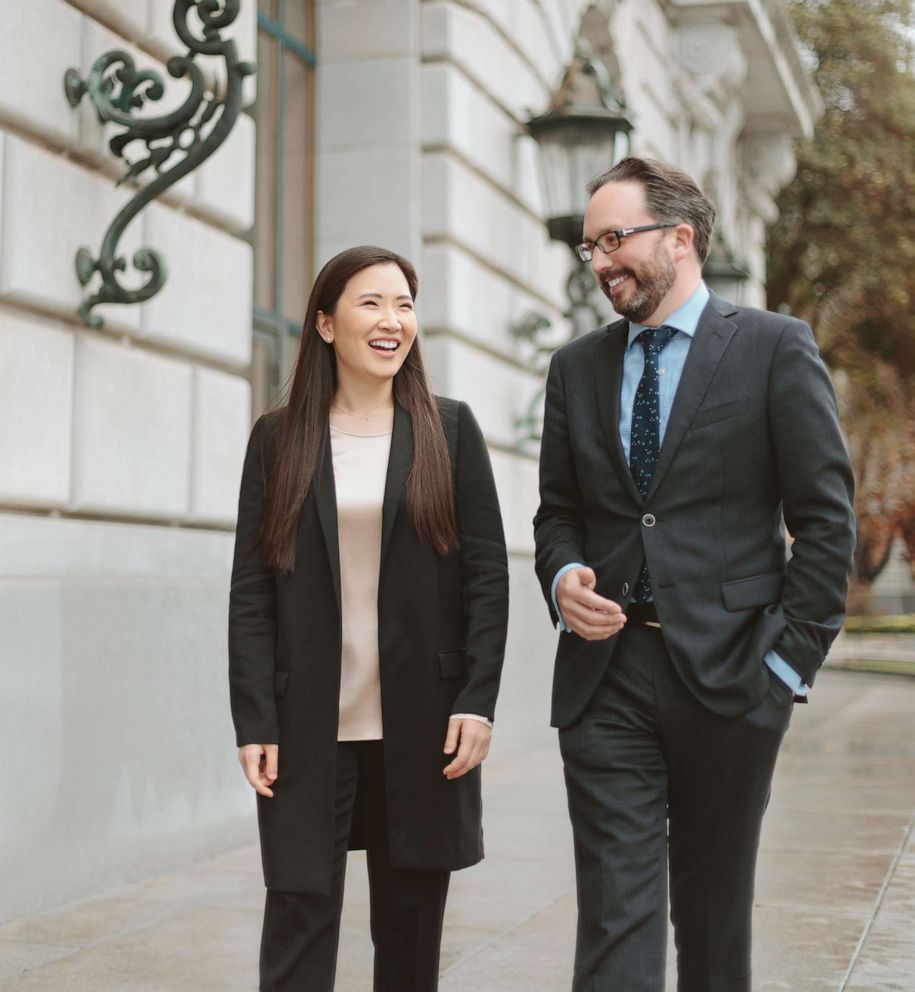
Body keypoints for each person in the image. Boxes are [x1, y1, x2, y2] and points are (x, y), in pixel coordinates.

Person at [533, 157, 855, 991]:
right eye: (588, 246)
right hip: (604, 681)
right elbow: (556, 512)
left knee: (712, 920)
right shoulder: (575, 367)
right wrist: (564, 573)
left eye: (614, 238)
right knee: (614, 916)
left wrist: (784, 668)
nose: (600, 261)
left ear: (679, 238)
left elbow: (823, 521)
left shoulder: (774, 348)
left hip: (735, 675)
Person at [229, 245, 508, 992]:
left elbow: (486, 576)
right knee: (296, 922)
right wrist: (254, 717)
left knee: (410, 939)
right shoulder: (278, 436)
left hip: (422, 722)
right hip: (306, 723)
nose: (393, 320)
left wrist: (477, 699)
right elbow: (251, 589)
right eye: (372, 303)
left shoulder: (449, 432)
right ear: (325, 324)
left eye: (405, 304)